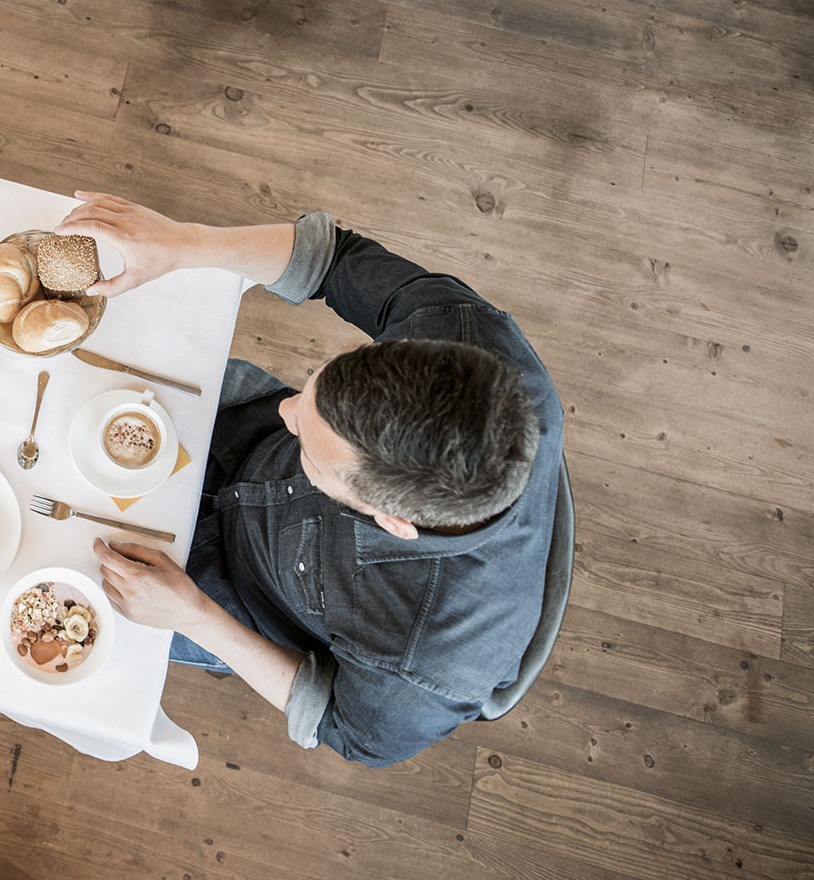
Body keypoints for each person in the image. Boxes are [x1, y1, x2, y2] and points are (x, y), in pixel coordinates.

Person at [57, 192, 564, 768]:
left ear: (392, 521)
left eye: (312, 449)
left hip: (226, 594)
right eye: (311, 390)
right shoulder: (475, 349)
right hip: (240, 439)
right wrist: (183, 241)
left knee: (50, 586)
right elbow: (334, 259)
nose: (287, 413)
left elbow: (339, 724)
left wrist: (193, 616)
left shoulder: (431, 663)